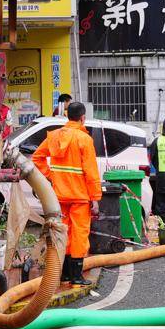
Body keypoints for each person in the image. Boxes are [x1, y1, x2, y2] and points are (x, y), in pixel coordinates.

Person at [32, 101, 102, 292]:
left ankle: (62, 275)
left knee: (62, 233)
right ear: (82, 118)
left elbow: (36, 158)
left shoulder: (54, 137)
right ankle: (77, 277)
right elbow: (91, 172)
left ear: (67, 116)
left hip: (58, 196)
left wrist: (50, 177)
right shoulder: (84, 139)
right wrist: (95, 198)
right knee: (79, 234)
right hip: (79, 196)